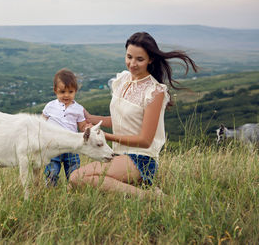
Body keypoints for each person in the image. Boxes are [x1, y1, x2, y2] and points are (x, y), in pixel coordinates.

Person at [68, 32, 199, 199]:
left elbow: (145, 140)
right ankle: (134, 189)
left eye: (139, 59)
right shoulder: (122, 80)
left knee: (76, 178)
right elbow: (120, 120)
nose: (132, 63)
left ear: (150, 59)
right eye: (129, 57)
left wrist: (107, 136)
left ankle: (152, 197)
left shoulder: (154, 91)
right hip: (118, 155)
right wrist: (89, 118)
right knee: (76, 184)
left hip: (141, 159)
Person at [42, 68, 88, 186]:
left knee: (73, 171)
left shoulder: (78, 109)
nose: (66, 95)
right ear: (55, 91)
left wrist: (87, 129)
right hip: (53, 145)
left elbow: (82, 125)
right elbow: (41, 122)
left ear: (75, 91)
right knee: (52, 170)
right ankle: (51, 190)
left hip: (71, 146)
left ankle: (73, 189)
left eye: (70, 92)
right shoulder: (50, 106)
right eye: (62, 92)